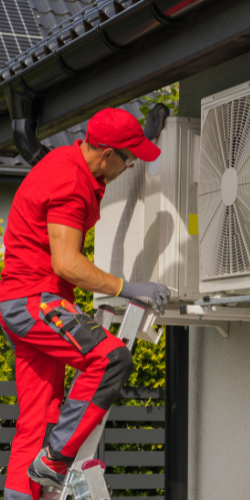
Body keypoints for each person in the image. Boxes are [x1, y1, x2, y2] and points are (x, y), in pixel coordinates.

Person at [0, 108, 170, 500]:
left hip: (19, 302)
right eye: (128, 159)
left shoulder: (72, 163)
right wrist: (129, 288)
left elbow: (116, 149)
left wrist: (143, 137)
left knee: (37, 421)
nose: (130, 167)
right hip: (35, 301)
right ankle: (55, 462)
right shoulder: (70, 182)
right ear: (106, 153)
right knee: (111, 359)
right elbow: (67, 262)